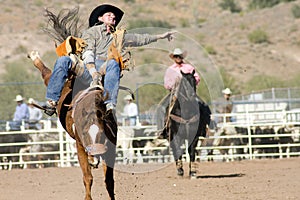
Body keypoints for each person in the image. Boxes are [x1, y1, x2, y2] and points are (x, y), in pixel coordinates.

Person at [43, 4, 175, 116]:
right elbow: (88, 52)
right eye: (109, 15)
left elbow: (140, 38)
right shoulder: (92, 32)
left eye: (114, 16)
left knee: (113, 62)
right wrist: (94, 73)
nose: (113, 17)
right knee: (63, 60)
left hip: (105, 68)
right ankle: (52, 100)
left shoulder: (119, 36)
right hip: (87, 68)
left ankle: (109, 103)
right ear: (100, 18)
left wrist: (161, 36)